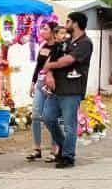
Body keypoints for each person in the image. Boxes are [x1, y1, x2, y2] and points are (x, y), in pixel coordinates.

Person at [42, 11, 93, 169]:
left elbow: (68, 60)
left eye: (69, 21)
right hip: (57, 88)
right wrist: (49, 73)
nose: (66, 24)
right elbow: (51, 58)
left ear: (76, 23)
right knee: (47, 117)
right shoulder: (66, 42)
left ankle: (68, 157)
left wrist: (50, 66)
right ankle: (64, 146)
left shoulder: (85, 43)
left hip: (72, 89)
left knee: (69, 125)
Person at [26, 22, 62, 162]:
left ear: (53, 31)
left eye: (45, 29)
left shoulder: (59, 48)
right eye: (41, 28)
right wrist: (33, 83)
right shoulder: (43, 47)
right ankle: (37, 149)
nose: (41, 31)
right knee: (35, 115)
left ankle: (55, 150)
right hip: (40, 84)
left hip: (52, 86)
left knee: (51, 117)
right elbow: (38, 66)